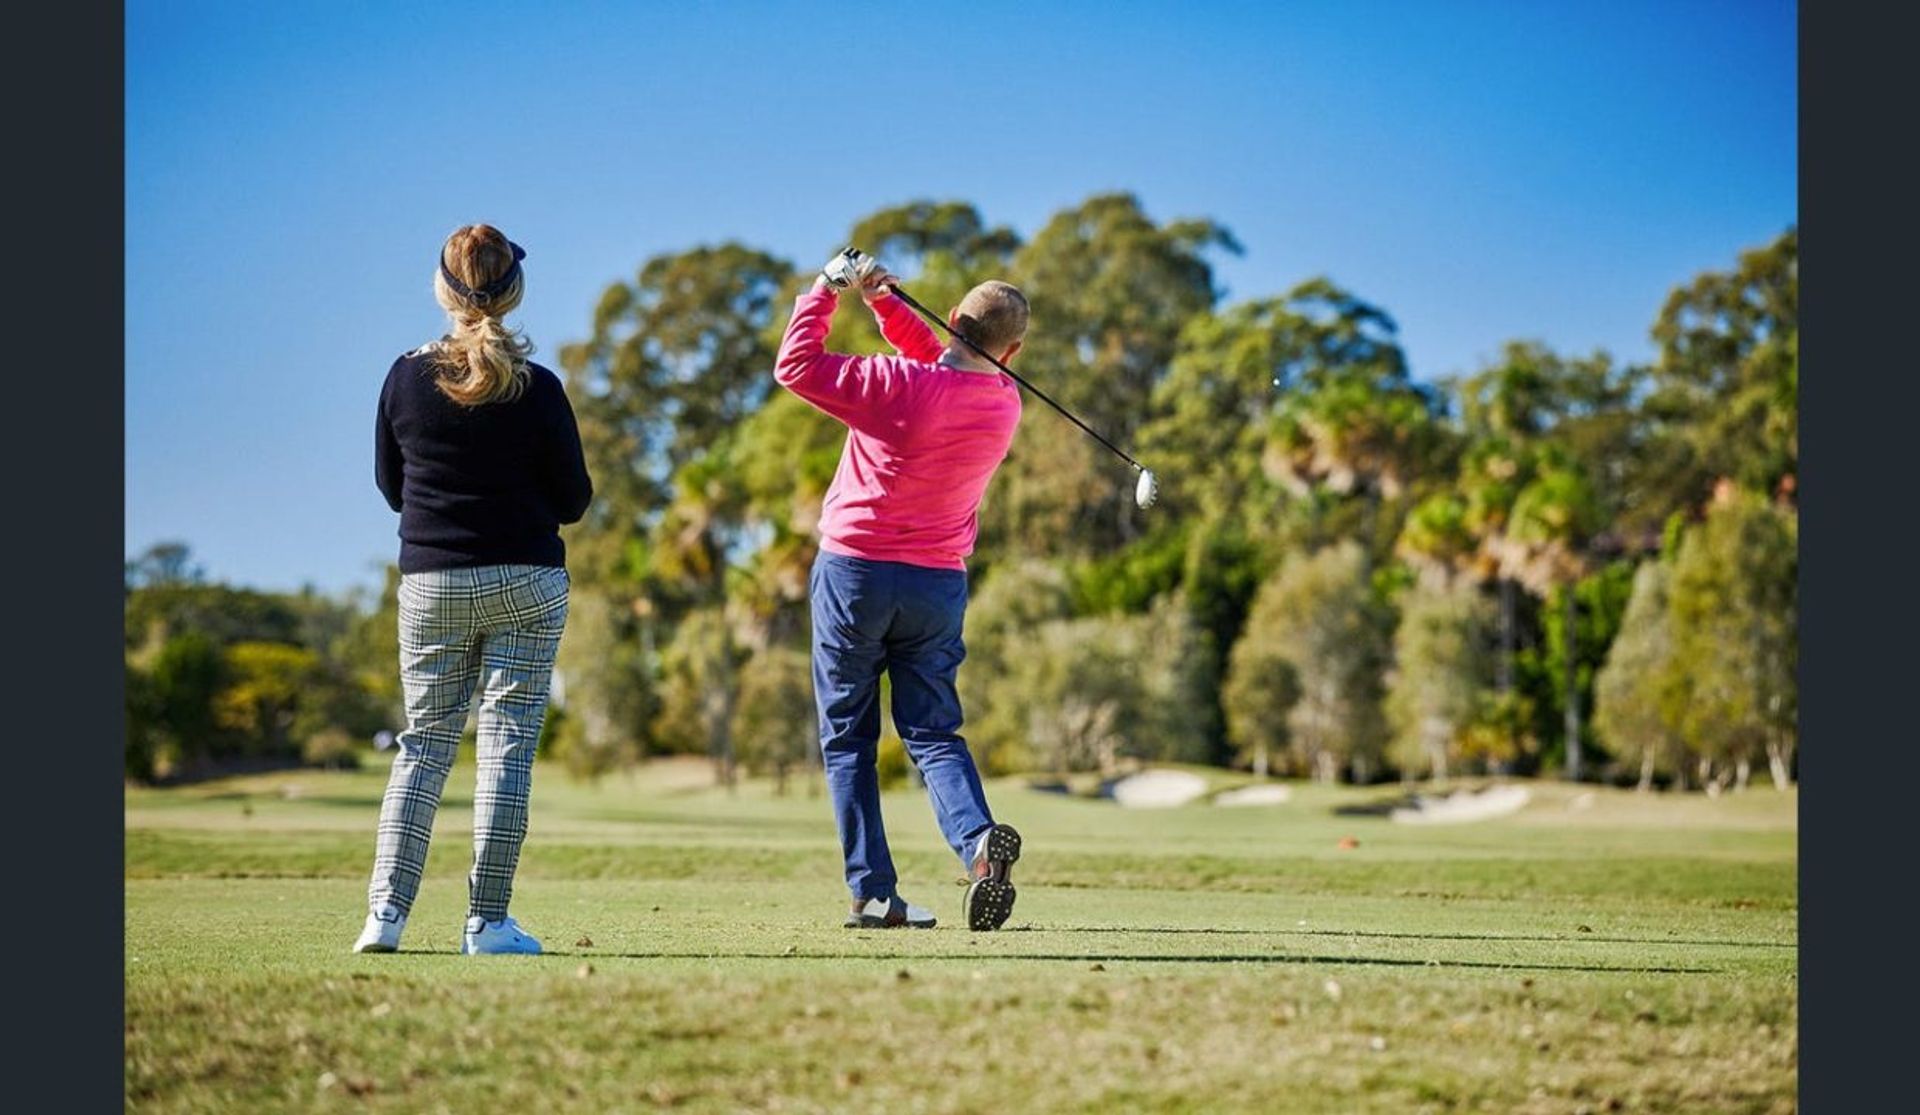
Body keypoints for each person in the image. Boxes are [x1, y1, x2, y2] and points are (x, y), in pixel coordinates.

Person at [353, 224, 592, 955]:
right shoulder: (541, 387)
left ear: (443, 288)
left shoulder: (402, 377)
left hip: (431, 582)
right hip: (527, 579)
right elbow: (575, 500)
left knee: (422, 745)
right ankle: (487, 922)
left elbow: (393, 489)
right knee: (507, 748)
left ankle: (385, 918)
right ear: (512, 292)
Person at [773, 248, 1027, 931]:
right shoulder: (1006, 402)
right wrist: (885, 304)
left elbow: (794, 366)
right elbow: (945, 364)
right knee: (933, 729)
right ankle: (977, 842)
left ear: (951, 319)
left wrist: (827, 289)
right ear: (1016, 348)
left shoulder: (893, 385)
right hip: (937, 585)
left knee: (848, 738)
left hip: (855, 574)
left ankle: (875, 892)